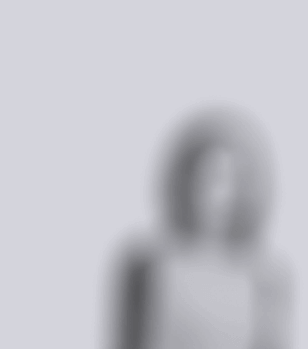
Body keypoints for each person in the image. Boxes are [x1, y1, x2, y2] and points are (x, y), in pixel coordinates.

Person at [111, 108, 290, 349]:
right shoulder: (147, 266)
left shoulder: (265, 278)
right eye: (205, 176)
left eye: (227, 180)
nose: (216, 194)